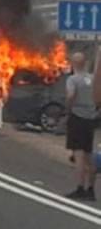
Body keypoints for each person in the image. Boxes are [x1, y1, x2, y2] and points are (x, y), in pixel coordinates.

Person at [66, 51, 97, 200]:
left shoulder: (73, 80)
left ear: (73, 64)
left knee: (78, 155)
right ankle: (90, 189)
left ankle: (79, 188)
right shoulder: (92, 79)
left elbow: (71, 96)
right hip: (91, 119)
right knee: (89, 155)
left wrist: (69, 108)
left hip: (77, 118)